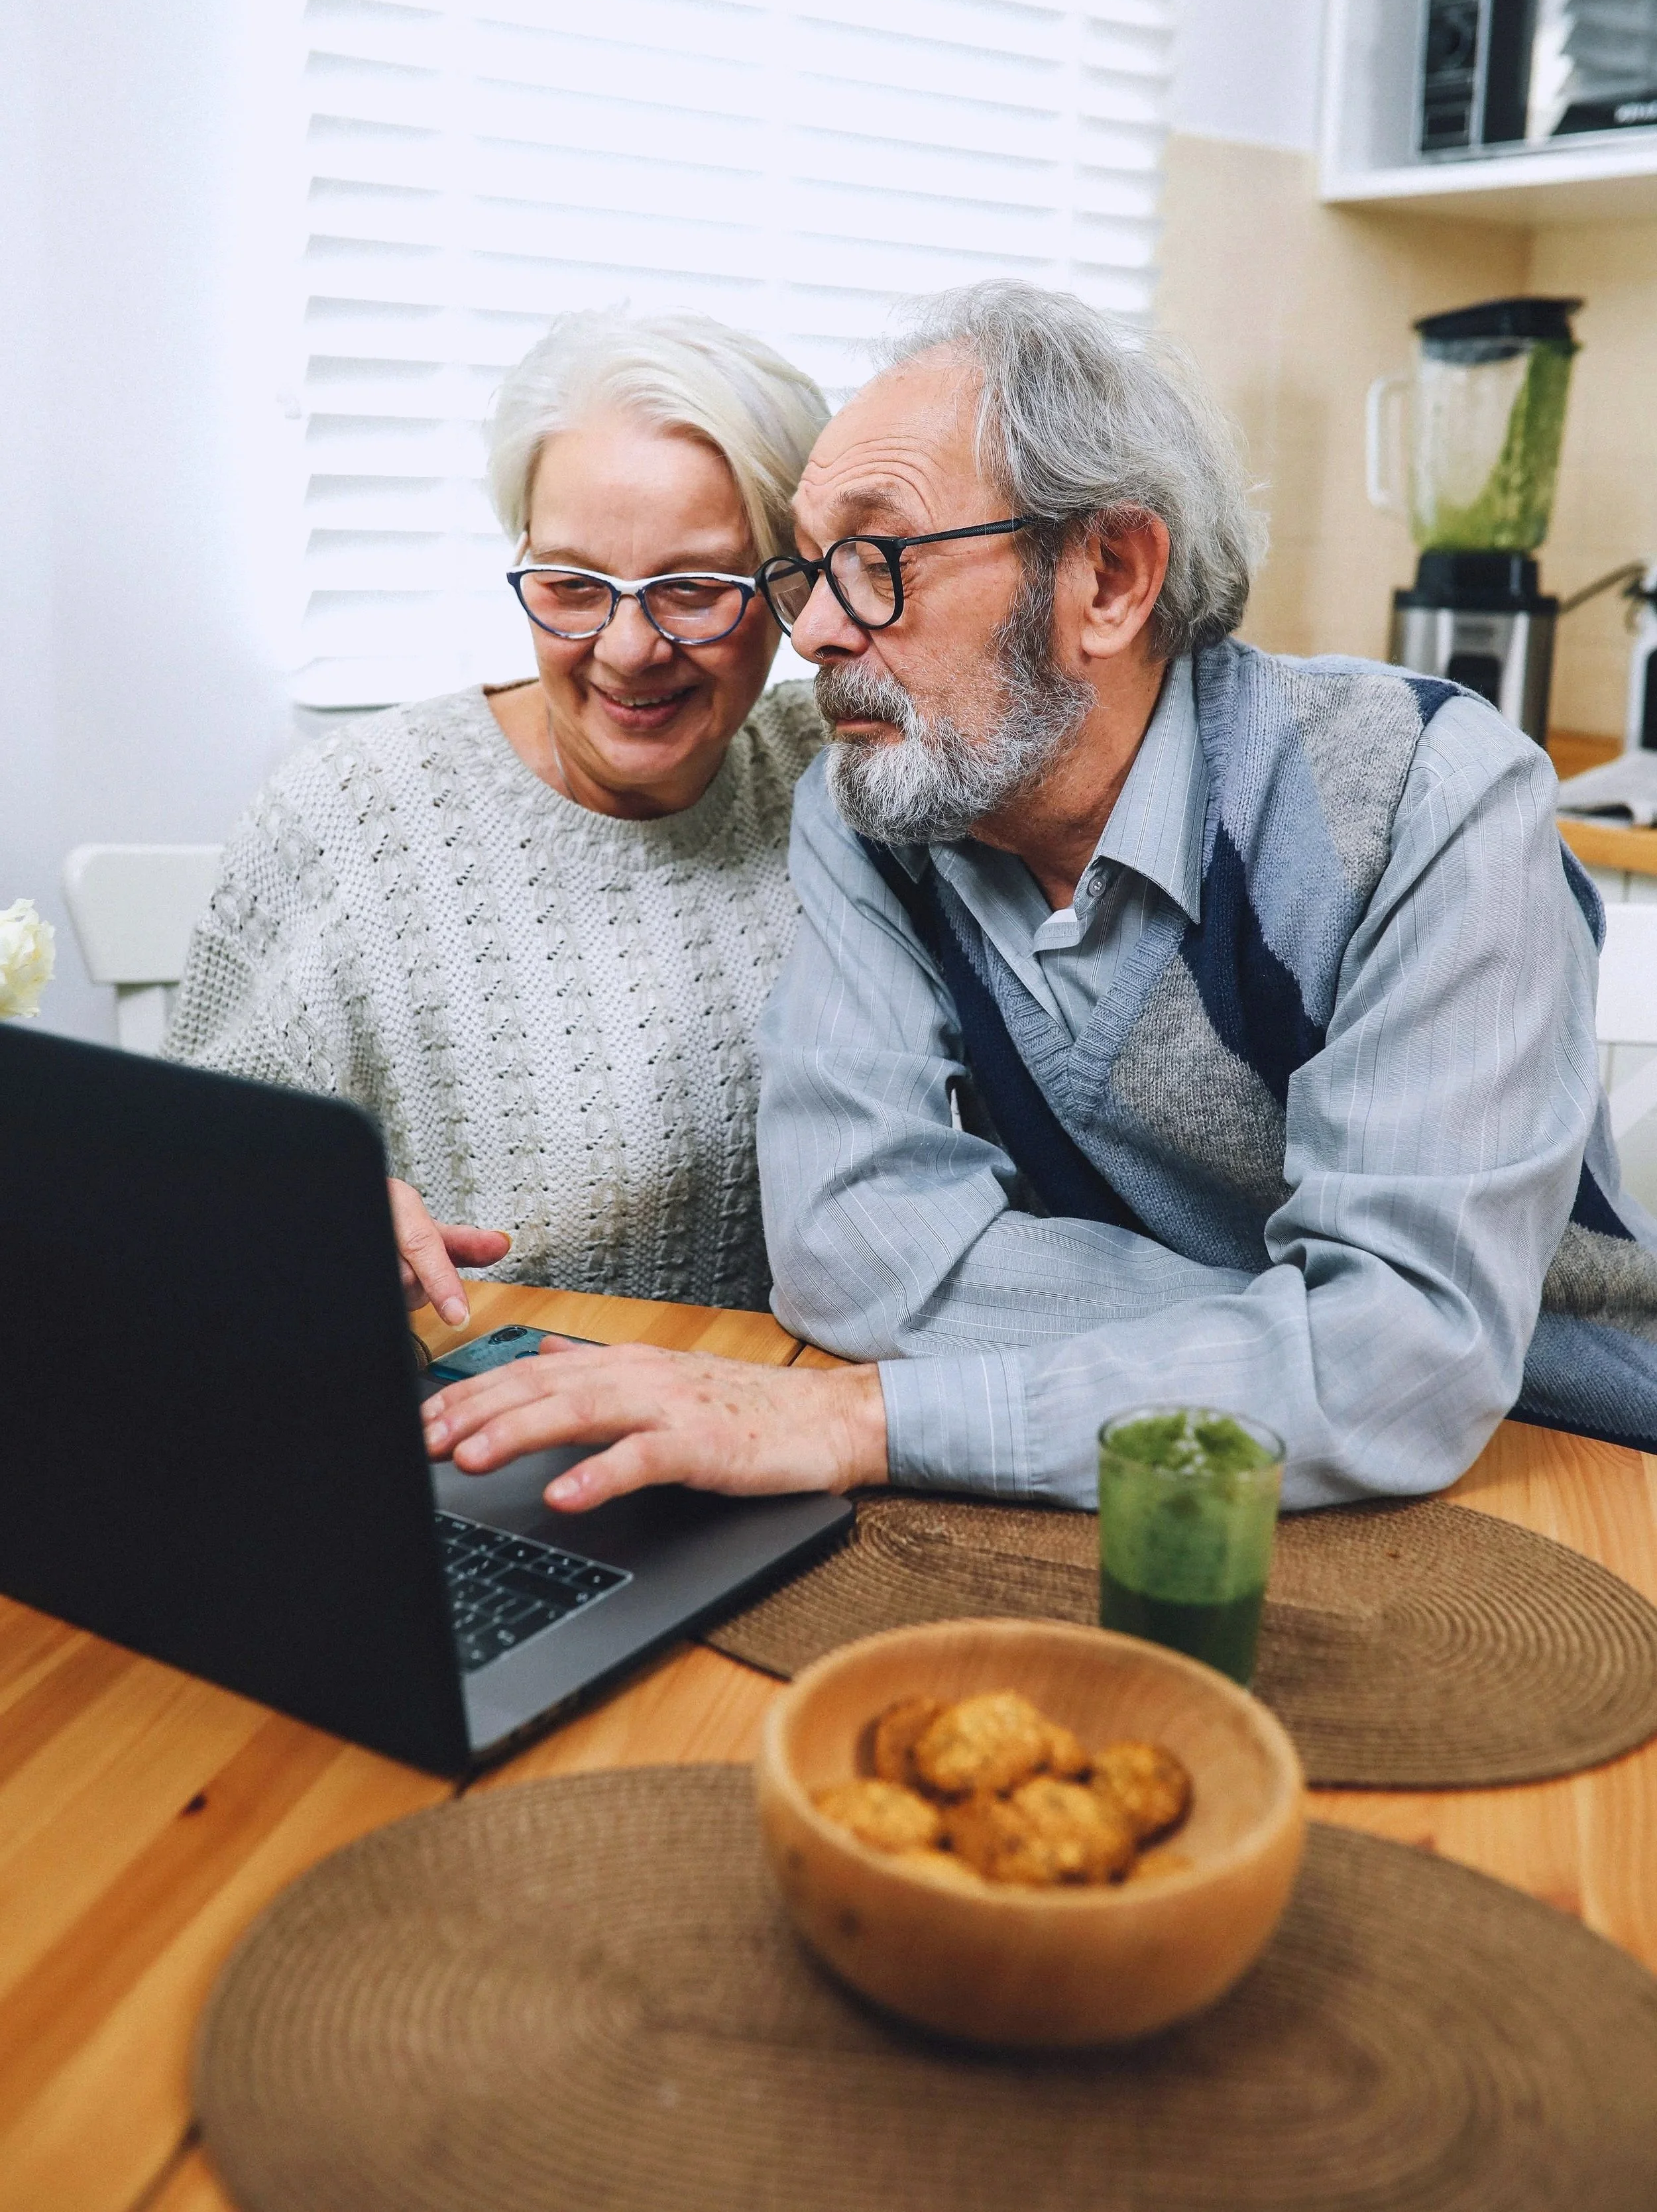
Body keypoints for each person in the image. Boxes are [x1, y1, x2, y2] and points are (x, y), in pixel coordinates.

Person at [420, 278, 1657, 1519]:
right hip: (1119, 1475)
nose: (816, 636)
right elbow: (853, 1251)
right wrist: (1300, 1346)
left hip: (1550, 1468)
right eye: (810, 570)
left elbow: (1411, 1366)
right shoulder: (874, 813)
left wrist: (865, 1415)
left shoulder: (1430, 796)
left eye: (879, 559)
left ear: (1109, 577)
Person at [164, 311, 827, 1317]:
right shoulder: (348, 819)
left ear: (792, 588)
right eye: (571, 585)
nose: (628, 648)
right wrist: (303, 1208)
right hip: (458, 1422)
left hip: (771, 1410)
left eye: (693, 591)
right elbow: (184, 1188)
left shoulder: (837, 775)